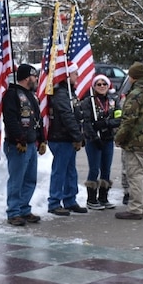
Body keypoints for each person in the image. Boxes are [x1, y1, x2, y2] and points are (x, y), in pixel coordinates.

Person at [114, 62, 143, 220]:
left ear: (132, 77)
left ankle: (135, 208)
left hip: (135, 140)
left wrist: (119, 137)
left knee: (135, 174)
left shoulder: (136, 94)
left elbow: (128, 120)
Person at [2, 64, 46, 226]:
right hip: (18, 145)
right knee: (17, 179)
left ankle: (24, 209)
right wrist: (19, 138)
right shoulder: (12, 95)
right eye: (35, 77)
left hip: (31, 143)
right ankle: (13, 212)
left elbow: (37, 120)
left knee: (30, 179)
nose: (36, 80)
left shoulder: (31, 96)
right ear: (28, 77)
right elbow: (10, 119)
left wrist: (42, 139)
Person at [47, 65, 87, 215]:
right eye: (75, 73)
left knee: (71, 171)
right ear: (67, 74)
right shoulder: (61, 93)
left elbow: (76, 115)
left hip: (68, 137)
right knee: (60, 171)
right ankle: (54, 202)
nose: (78, 76)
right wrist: (77, 135)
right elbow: (66, 115)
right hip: (60, 137)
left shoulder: (70, 92)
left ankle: (70, 200)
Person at [83, 74, 120, 210]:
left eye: (104, 84)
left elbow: (119, 118)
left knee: (106, 169)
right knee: (94, 169)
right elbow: (86, 124)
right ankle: (91, 199)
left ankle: (103, 197)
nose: (102, 86)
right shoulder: (88, 102)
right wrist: (94, 137)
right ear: (94, 86)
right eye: (98, 84)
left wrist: (105, 123)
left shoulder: (112, 101)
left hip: (108, 139)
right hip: (94, 140)